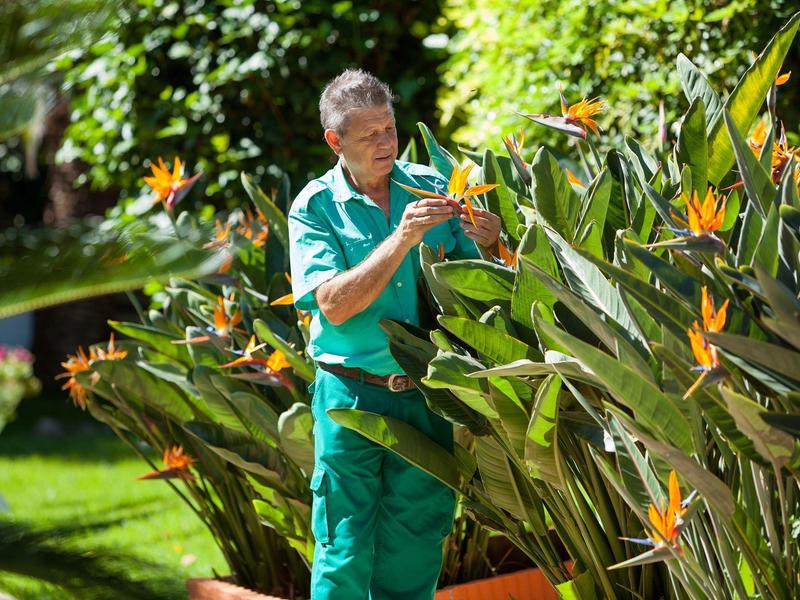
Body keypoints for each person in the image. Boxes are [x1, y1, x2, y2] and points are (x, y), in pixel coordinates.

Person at [287, 68, 501, 600]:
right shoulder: (314, 208)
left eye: (390, 129)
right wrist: (402, 238)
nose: (386, 143)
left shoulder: (430, 187)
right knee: (344, 549)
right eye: (370, 135)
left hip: (425, 394)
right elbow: (332, 305)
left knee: (417, 546)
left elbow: (476, 284)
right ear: (335, 141)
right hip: (349, 394)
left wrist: (493, 244)